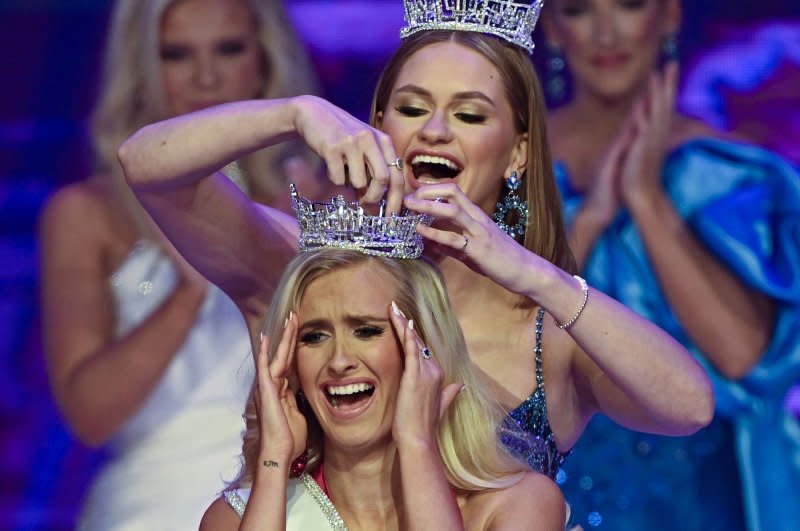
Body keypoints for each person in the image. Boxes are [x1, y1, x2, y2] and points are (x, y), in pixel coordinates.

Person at [118, 0, 713, 496]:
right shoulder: (303, 270)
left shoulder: (548, 336)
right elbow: (145, 165)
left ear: (518, 154)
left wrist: (532, 274)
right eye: (412, 108)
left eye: (469, 115)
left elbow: (688, 408)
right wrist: (296, 113)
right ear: (378, 126)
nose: (434, 131)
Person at [39, 0, 321, 528]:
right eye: (177, 55)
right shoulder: (88, 213)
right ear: (143, 66)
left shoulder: (320, 200)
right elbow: (90, 416)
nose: (207, 77)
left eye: (229, 49)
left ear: (264, 56)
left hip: (292, 493)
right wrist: (190, 290)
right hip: (148, 506)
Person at [540, 0, 800, 529]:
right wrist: (588, 223)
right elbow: (499, 345)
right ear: (552, 29)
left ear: (671, 16)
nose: (607, 34)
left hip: (702, 500)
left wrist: (648, 200)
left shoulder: (727, 173)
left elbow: (745, 362)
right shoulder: (501, 166)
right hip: (543, 489)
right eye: (579, 10)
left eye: (630, 5)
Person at [199, 194, 567, 529]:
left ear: (425, 348)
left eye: (366, 331)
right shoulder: (235, 518)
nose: (339, 361)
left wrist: (417, 445)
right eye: (314, 336)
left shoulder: (517, 505)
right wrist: (273, 460)